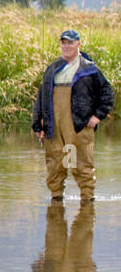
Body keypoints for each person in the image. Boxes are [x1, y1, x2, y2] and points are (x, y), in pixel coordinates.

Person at [32, 29, 113, 203]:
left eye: (70, 42)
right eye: (64, 43)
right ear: (60, 45)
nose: (66, 46)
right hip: (54, 126)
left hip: (78, 127)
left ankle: (87, 203)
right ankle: (56, 203)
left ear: (78, 44)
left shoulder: (89, 69)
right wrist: (37, 125)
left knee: (81, 165)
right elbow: (41, 97)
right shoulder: (52, 69)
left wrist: (97, 117)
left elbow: (107, 94)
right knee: (55, 165)